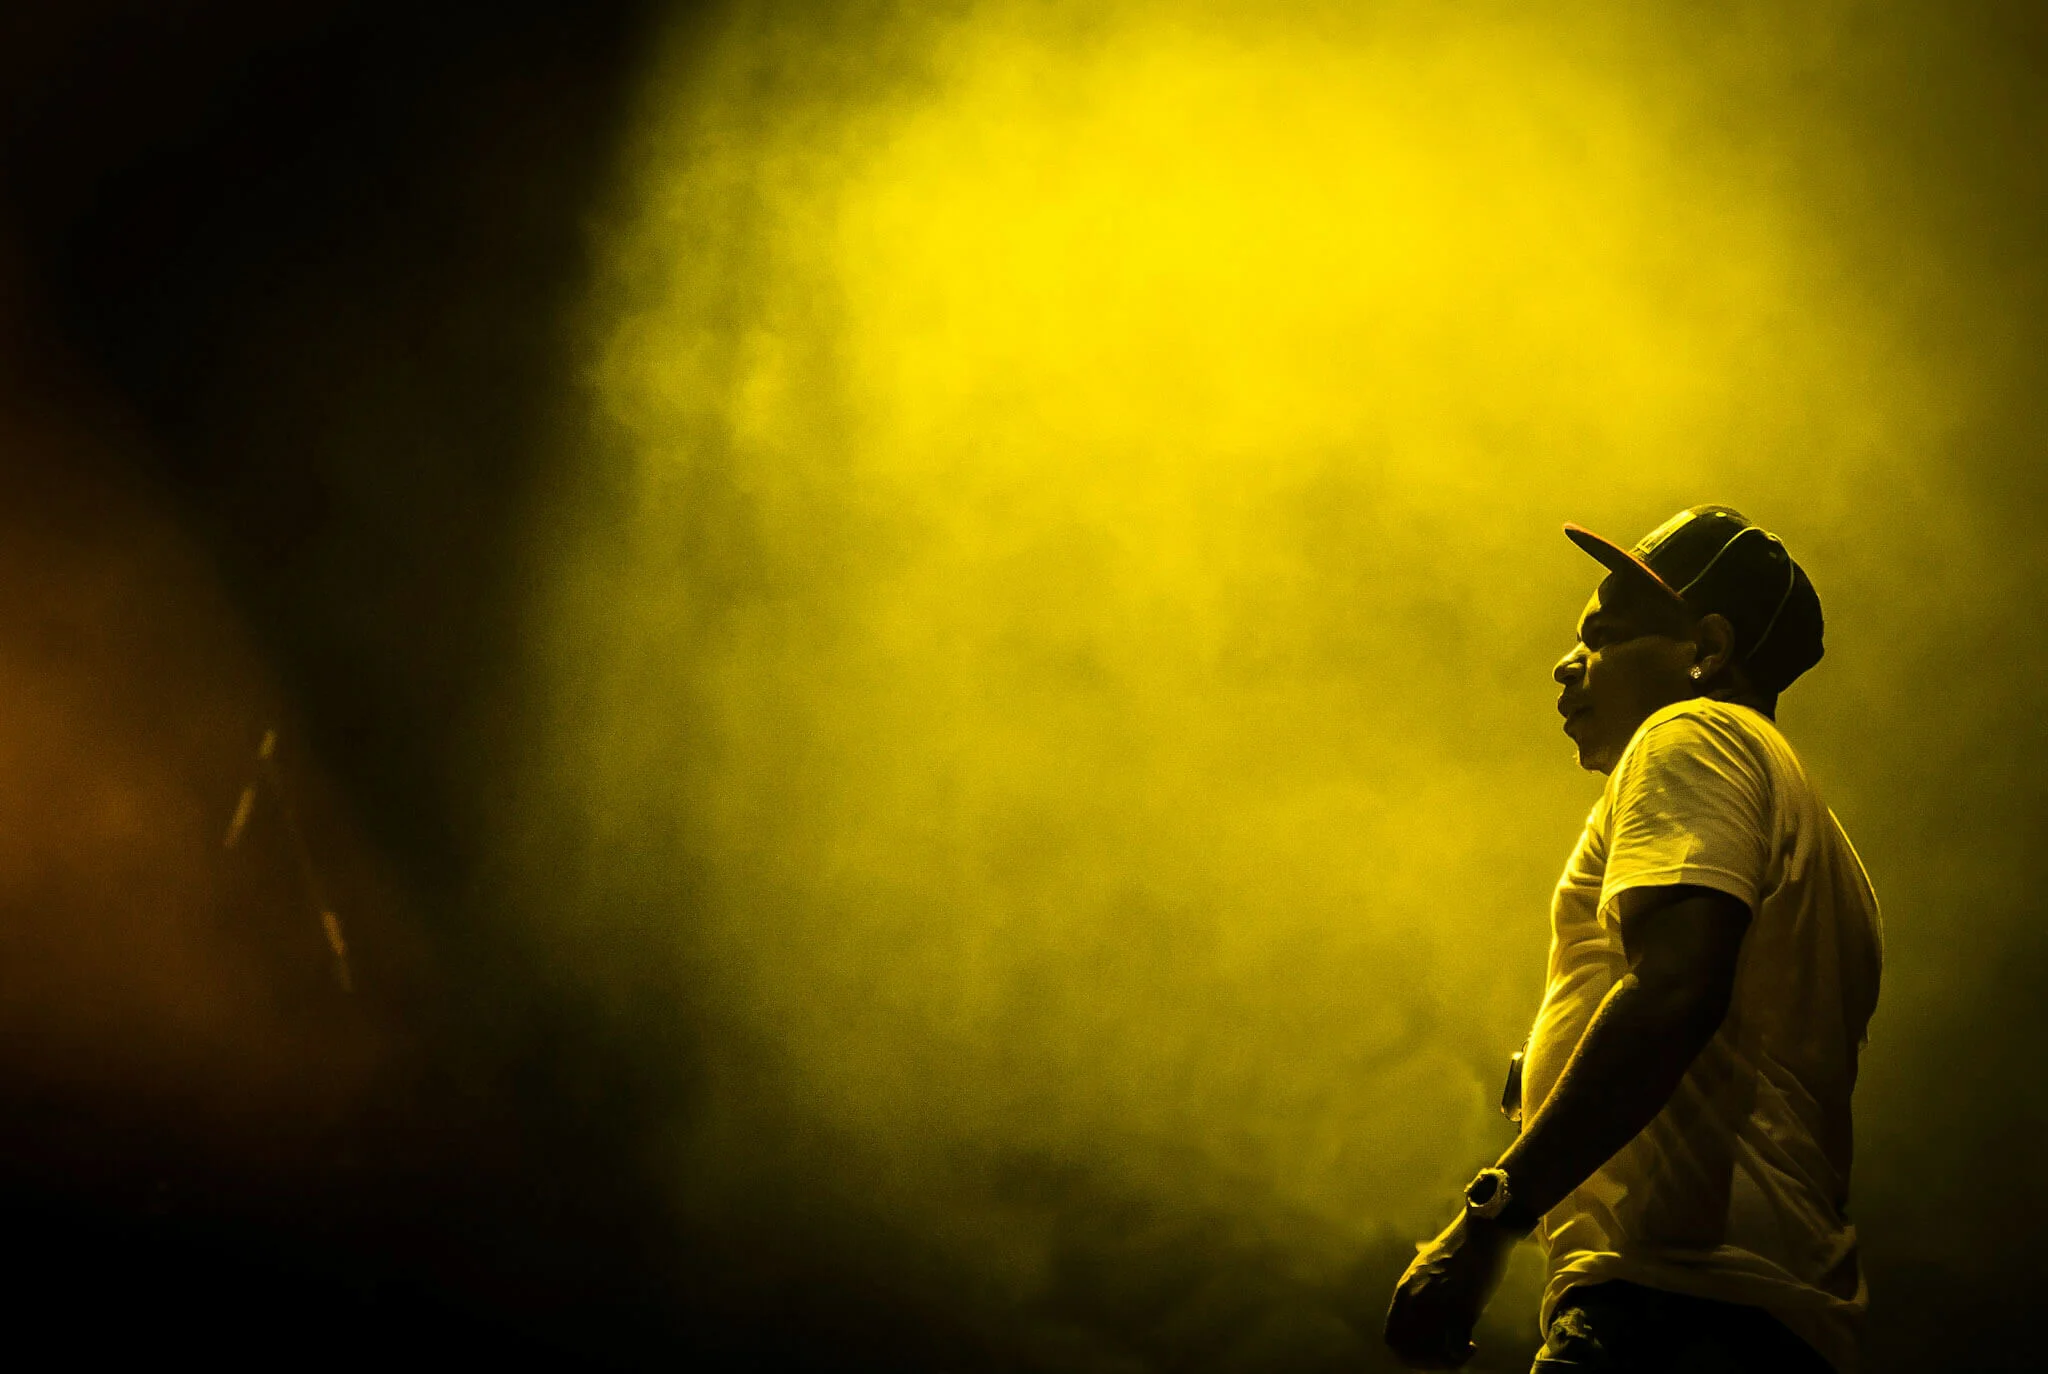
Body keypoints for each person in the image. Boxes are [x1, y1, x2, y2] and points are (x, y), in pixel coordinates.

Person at [1382, 506, 1884, 1372]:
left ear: (1709, 650)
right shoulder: (1822, 839)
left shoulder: (1691, 734)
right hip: (1776, 1314)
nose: (1565, 663)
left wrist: (1488, 1218)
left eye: (1604, 637)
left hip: (1669, 1308)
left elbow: (1677, 991)